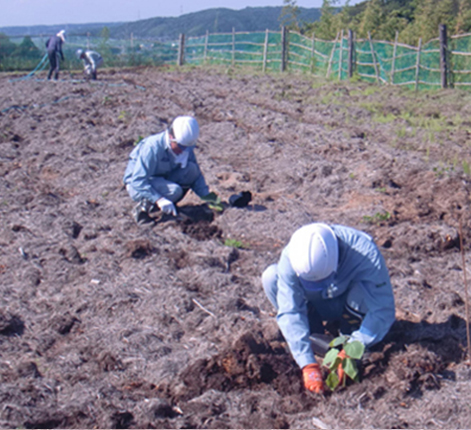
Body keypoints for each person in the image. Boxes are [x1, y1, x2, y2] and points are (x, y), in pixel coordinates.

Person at [261, 223, 395, 394]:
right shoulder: (292, 255)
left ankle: (349, 332)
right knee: (271, 277)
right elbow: (291, 310)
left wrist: (354, 347)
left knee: (366, 287)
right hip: (316, 303)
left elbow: (383, 308)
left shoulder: (365, 252)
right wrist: (307, 363)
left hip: (350, 302)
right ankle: (311, 333)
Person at [123, 116, 221, 224]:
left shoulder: (184, 147)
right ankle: (143, 209)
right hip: (139, 185)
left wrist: (208, 198)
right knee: (174, 191)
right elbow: (137, 181)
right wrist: (159, 199)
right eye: (181, 146)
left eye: (188, 148)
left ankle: (170, 204)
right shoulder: (152, 148)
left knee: (191, 170)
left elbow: (196, 175)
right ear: (171, 137)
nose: (184, 151)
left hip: (163, 178)